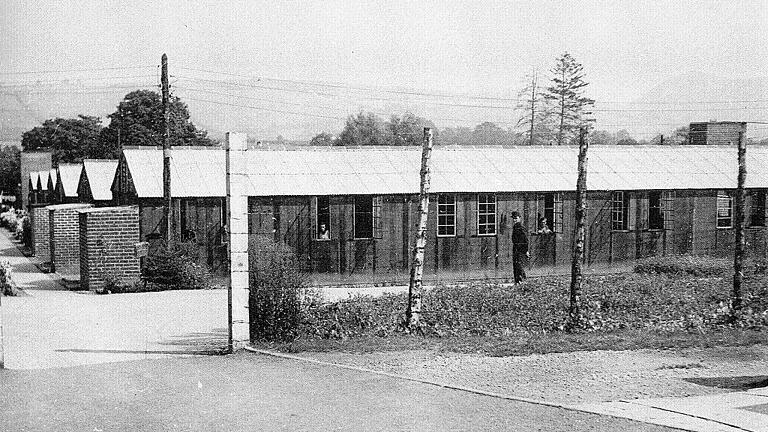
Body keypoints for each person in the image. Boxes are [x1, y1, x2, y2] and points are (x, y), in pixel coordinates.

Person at [510, 211, 529, 284]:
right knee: (516, 264)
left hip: (520, 249)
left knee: (518, 265)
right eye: (513, 218)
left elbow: (525, 239)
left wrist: (526, 250)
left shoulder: (520, 227)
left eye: (516, 218)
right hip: (516, 248)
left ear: (519, 218)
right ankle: (517, 281)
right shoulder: (516, 226)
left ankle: (522, 280)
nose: (514, 220)